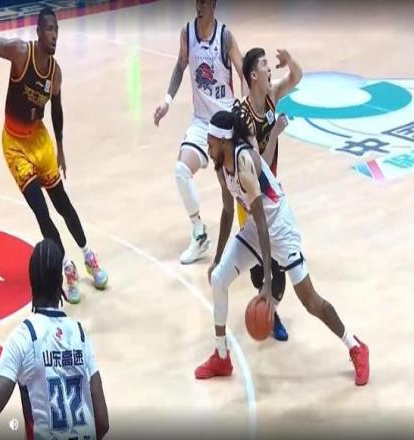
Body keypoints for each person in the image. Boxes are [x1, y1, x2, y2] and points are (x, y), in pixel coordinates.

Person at [194, 106, 370, 386]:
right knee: (218, 279)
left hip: (279, 226)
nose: (208, 148)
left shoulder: (243, 161)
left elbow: (264, 222)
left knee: (311, 301)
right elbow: (228, 211)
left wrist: (266, 282)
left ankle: (356, 346)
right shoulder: (221, 165)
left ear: (224, 141)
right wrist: (217, 258)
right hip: (256, 226)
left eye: (211, 143)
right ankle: (222, 356)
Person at [0, 7, 107, 304]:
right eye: (49, 29)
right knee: (41, 211)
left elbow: (57, 110)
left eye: (57, 30)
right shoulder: (21, 53)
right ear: (38, 32)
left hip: (40, 141)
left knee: (63, 203)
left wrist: (60, 148)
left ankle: (88, 255)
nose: (54, 35)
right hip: (14, 144)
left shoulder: (55, 73)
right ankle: (67, 267)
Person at [0, 239, 109, 439]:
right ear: (60, 282)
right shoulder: (79, 334)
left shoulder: (24, 337)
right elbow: (102, 422)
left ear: (31, 280)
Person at [154, 0, 247, 264]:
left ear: (214, 4)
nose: (199, 6)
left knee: (229, 193)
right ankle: (199, 233)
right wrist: (167, 101)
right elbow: (179, 66)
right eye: (197, 1)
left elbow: (243, 72)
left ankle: (247, 236)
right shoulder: (187, 33)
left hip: (225, 122)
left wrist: (242, 107)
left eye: (204, 2)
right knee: (181, 170)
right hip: (201, 122)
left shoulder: (225, 36)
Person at [236, 47, 303, 341]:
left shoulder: (271, 95)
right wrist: (274, 133)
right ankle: (267, 310)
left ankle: (269, 307)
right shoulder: (244, 116)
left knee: (277, 269)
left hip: (270, 193)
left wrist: (290, 62)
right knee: (260, 265)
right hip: (250, 195)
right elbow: (259, 165)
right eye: (265, 64)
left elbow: (296, 77)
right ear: (254, 75)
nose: (270, 68)